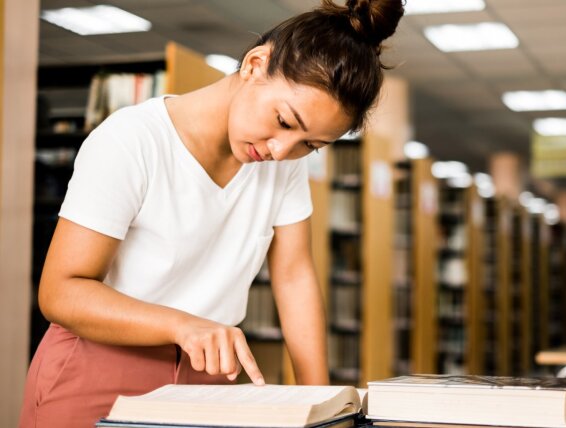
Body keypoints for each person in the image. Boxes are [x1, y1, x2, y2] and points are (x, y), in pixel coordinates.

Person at [20, 0, 404, 426]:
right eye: (283, 120)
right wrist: (183, 326)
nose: (282, 150)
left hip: (208, 378)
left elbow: (294, 277)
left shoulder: (282, 163)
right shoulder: (131, 140)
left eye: (310, 145)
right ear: (256, 64)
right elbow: (60, 292)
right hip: (97, 366)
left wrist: (325, 405)